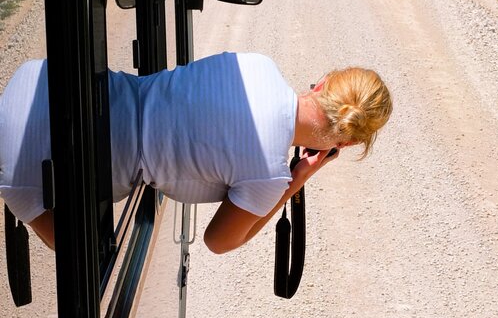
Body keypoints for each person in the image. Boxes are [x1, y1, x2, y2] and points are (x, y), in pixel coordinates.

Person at [0, 52, 392, 252]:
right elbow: (219, 242)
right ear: (347, 142)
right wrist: (294, 182)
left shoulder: (256, 64)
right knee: (79, 254)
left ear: (322, 83)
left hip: (45, 80)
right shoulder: (269, 175)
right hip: (25, 174)